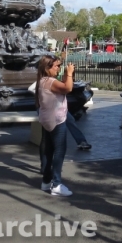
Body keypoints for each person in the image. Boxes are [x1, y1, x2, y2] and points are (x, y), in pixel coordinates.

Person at [36, 55, 74, 196]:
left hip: (47, 119)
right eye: (56, 66)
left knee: (48, 150)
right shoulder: (50, 81)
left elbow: (65, 86)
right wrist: (69, 73)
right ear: (47, 68)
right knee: (59, 151)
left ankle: (46, 181)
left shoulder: (43, 80)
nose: (58, 68)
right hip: (56, 120)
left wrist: (66, 75)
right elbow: (68, 88)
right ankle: (56, 184)